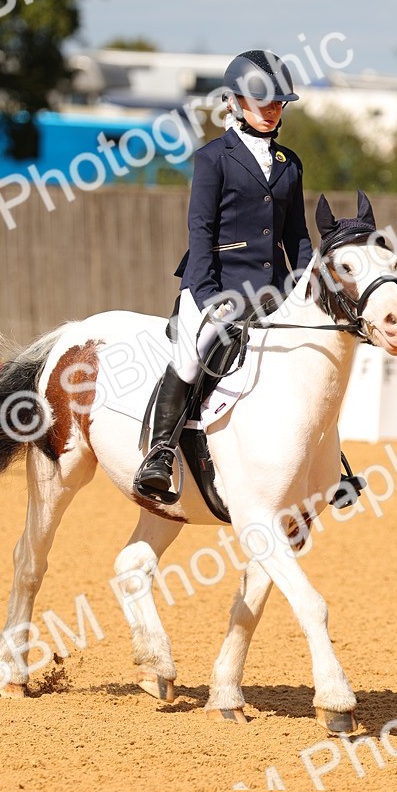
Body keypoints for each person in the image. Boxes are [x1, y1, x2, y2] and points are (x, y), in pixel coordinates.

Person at [133, 48, 314, 503]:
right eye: (264, 102)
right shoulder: (213, 158)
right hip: (215, 284)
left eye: (279, 103)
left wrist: (310, 285)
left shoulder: (290, 164)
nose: (273, 111)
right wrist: (208, 294)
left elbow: (297, 238)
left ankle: (328, 465)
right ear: (234, 102)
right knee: (193, 356)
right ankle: (159, 453)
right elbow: (201, 231)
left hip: (271, 293)